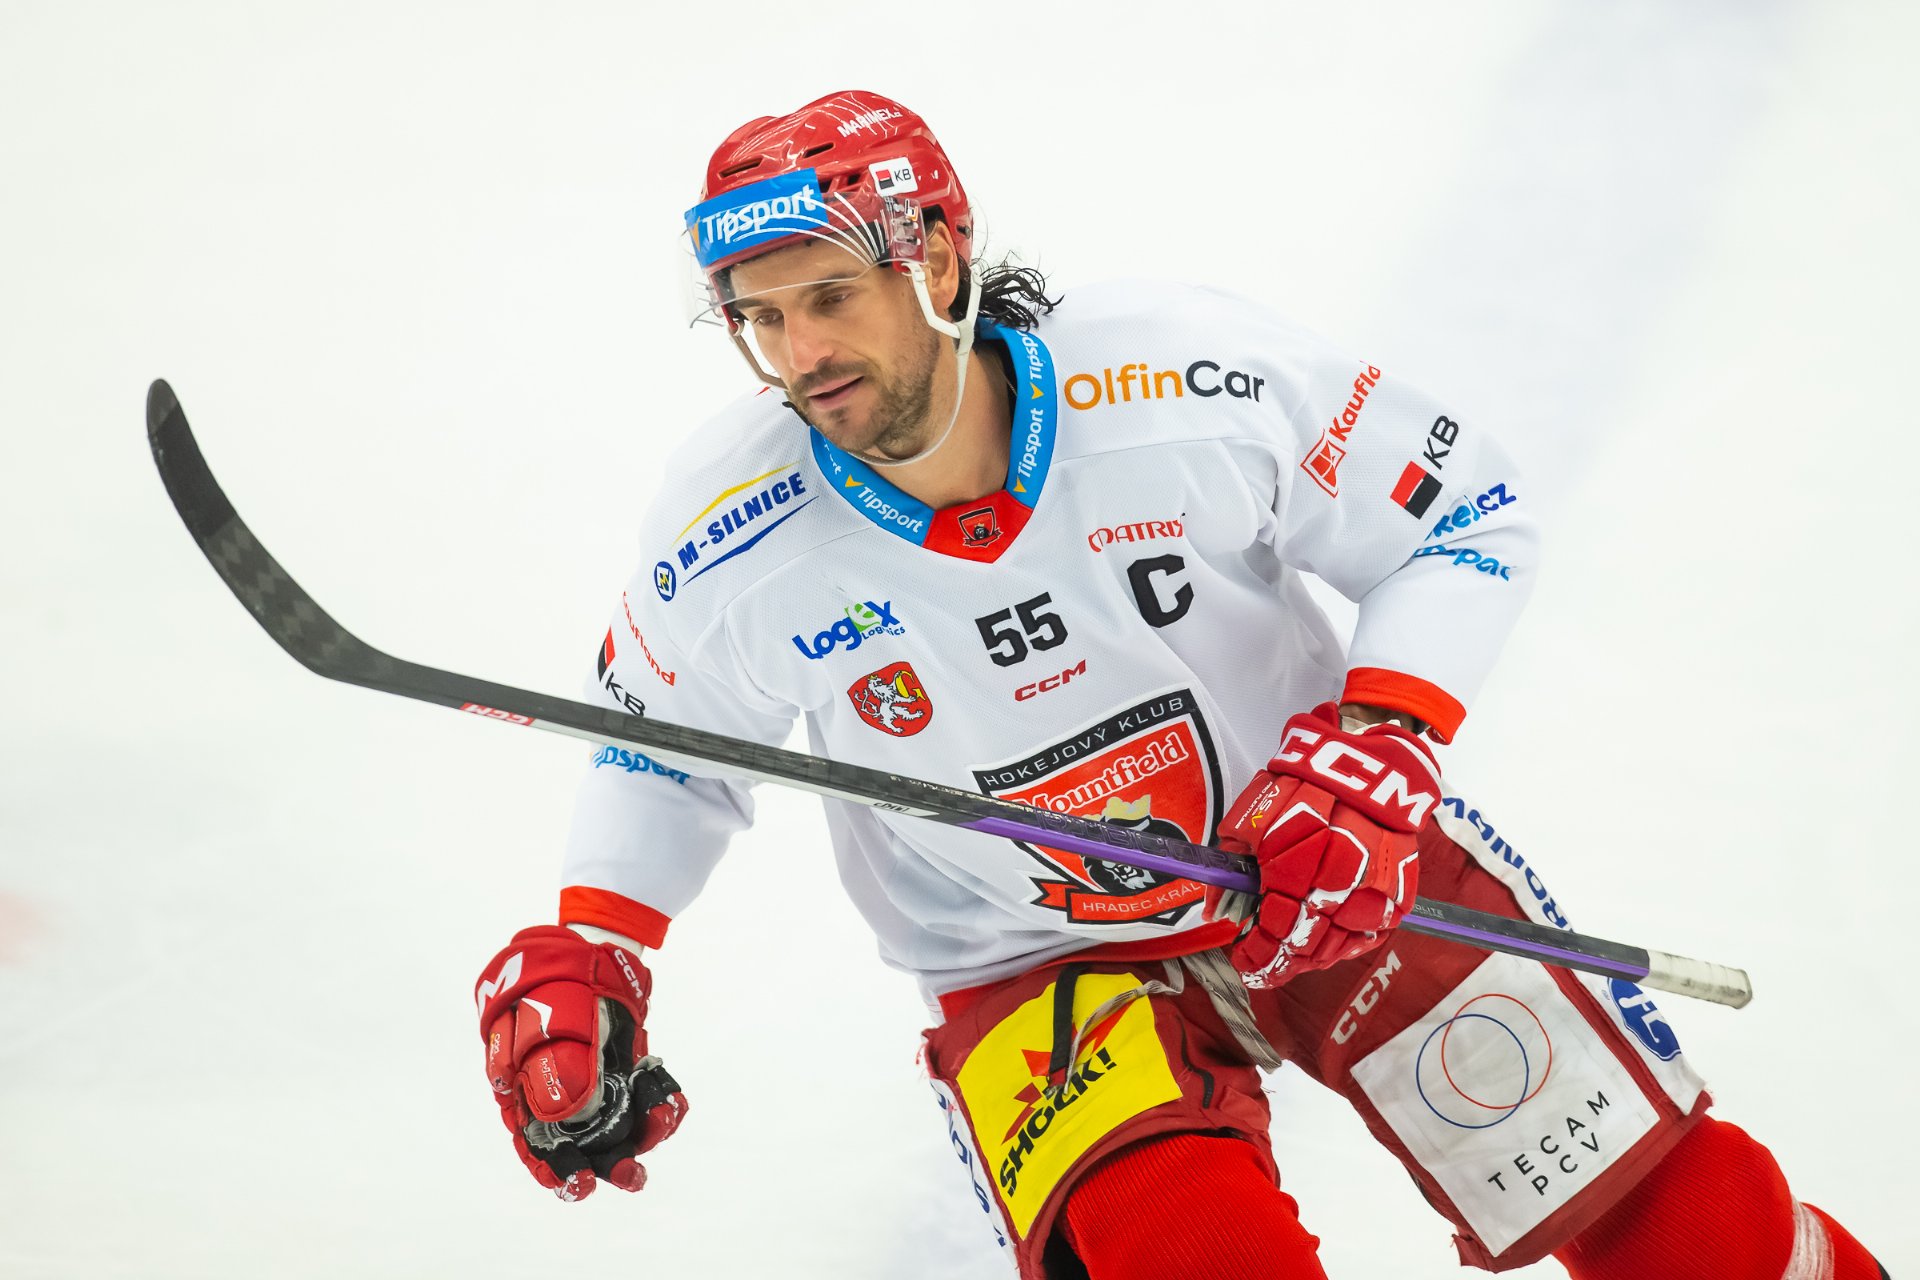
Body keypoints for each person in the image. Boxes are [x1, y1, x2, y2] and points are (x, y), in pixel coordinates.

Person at [471, 91, 1884, 1279]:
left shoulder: (1178, 377)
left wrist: (1382, 742)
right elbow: (661, 746)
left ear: (940, 261)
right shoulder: (730, 532)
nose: (800, 357)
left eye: (830, 298)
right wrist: (599, 945)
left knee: (1692, 1237)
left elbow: (1462, 512)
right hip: (1035, 970)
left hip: (1327, 862)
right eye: (761, 317)